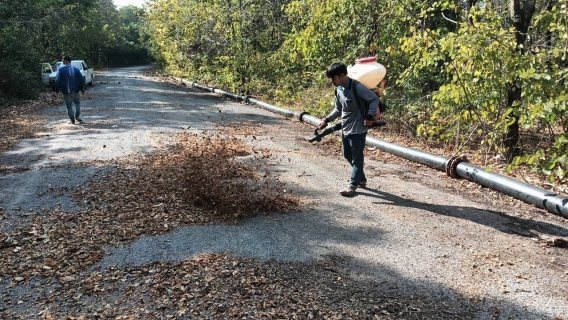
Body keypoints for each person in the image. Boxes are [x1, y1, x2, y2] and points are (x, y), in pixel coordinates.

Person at [318, 62, 380, 196]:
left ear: (342, 75)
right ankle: (361, 179)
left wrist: (369, 116)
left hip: (358, 128)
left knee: (357, 158)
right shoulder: (339, 90)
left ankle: (352, 185)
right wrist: (326, 120)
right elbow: (338, 109)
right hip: (346, 127)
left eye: (334, 78)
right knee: (347, 154)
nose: (332, 81)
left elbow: (374, 99)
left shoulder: (357, 87)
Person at [56, 56, 85, 124]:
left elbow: (57, 80)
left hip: (66, 91)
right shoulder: (76, 69)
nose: (63, 62)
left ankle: (72, 120)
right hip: (75, 90)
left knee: (69, 106)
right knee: (77, 103)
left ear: (66, 61)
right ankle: (77, 116)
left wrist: (57, 89)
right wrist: (83, 89)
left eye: (63, 60)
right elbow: (82, 80)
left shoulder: (60, 69)